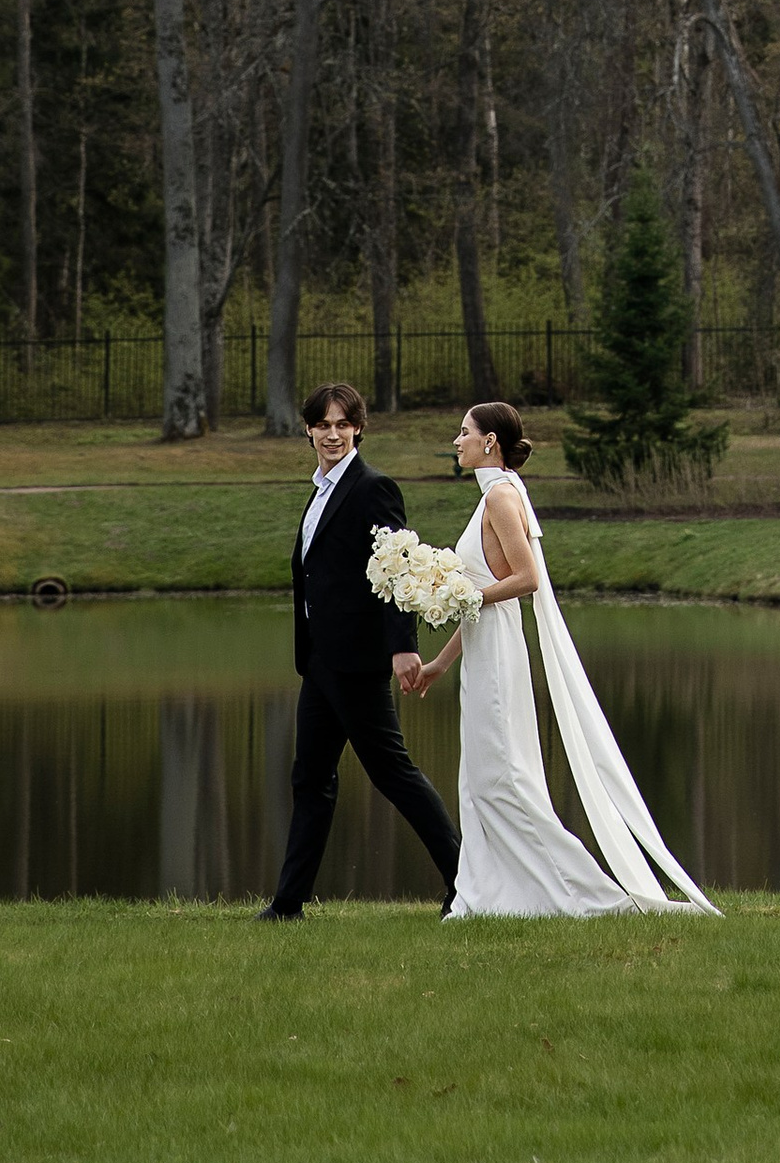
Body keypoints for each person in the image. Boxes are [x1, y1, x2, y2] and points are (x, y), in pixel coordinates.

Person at [396, 401, 714, 916]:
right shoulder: (494, 494)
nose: (456, 442)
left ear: (489, 442)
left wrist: (465, 598)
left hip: (498, 652)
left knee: (503, 776)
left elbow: (525, 580)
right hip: (483, 645)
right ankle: (492, 891)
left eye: (464, 433)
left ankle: (579, 892)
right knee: (481, 777)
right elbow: (480, 598)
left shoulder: (500, 495)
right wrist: (441, 662)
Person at [260, 380, 461, 921]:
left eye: (342, 424)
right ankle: (287, 905)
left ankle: (466, 885)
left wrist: (403, 649)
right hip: (320, 661)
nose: (332, 434)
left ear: (358, 429)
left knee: (393, 774)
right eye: (322, 425)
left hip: (357, 661)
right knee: (311, 779)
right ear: (307, 429)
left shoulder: (373, 487)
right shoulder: (321, 488)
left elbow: (396, 569)